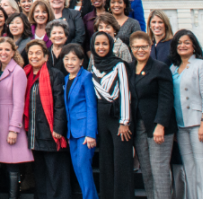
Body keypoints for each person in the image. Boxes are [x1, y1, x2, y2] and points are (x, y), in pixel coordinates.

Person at [168, 29, 203, 199]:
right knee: (189, 168)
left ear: (194, 46)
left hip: (200, 123)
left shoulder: (201, 65)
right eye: (179, 43)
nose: (183, 46)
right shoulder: (173, 68)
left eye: (187, 42)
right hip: (182, 126)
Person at [128, 31, 175, 199]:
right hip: (139, 126)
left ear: (150, 47)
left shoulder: (160, 67)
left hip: (157, 126)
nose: (140, 50)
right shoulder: (130, 68)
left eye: (144, 46)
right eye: (136, 47)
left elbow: (166, 98)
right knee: (146, 171)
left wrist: (160, 125)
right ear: (131, 48)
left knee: (159, 171)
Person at [23, 39, 69, 199]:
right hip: (34, 133)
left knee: (55, 173)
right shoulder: (25, 74)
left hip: (51, 133)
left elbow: (59, 104)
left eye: (38, 53)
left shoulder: (54, 75)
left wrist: (58, 128)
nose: (34, 56)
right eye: (31, 53)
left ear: (46, 57)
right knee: (40, 173)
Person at [89, 32, 133, 199]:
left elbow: (125, 92)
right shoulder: (93, 66)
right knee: (106, 161)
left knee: (121, 160)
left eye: (105, 44)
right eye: (97, 44)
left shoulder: (119, 65)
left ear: (111, 46)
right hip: (101, 117)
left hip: (118, 116)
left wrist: (124, 121)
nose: (101, 47)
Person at [0, 37, 32, 199]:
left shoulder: (18, 71)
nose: (3, 53)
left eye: (7, 49)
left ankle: (14, 196)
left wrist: (14, 129)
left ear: (14, 52)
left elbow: (19, 102)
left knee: (12, 163)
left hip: (10, 120)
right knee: (1, 162)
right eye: (0, 49)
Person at [60, 44, 97, 199]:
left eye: (73, 59)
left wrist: (90, 134)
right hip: (72, 133)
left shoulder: (86, 77)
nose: (70, 62)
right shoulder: (66, 78)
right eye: (67, 59)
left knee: (83, 167)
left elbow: (91, 106)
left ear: (81, 61)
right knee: (77, 169)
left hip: (84, 132)